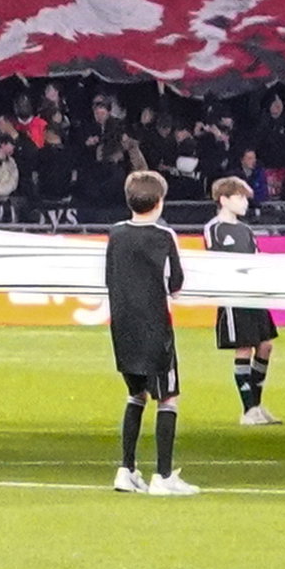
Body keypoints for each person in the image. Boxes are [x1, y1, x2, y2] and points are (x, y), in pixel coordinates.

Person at [104, 169, 195, 495]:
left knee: (135, 394)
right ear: (159, 201)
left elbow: (109, 277)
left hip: (122, 327)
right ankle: (164, 475)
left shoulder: (115, 234)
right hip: (155, 327)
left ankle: (126, 470)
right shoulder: (163, 236)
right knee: (167, 396)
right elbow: (176, 284)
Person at [204, 175, 282, 426]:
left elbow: (254, 257)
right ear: (224, 200)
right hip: (233, 295)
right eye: (240, 198)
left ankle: (256, 405)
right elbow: (215, 259)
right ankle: (248, 410)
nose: (245, 203)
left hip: (252, 293)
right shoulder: (214, 228)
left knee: (265, 346)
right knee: (244, 347)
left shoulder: (246, 230)